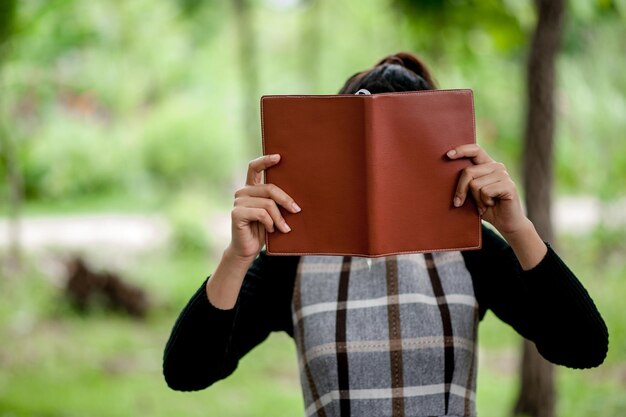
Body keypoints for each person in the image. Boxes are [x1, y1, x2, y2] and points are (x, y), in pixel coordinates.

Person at [162, 52, 608, 417]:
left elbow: (583, 345)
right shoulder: (294, 256)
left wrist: (516, 227)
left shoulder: (469, 249)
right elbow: (187, 371)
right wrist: (237, 258)